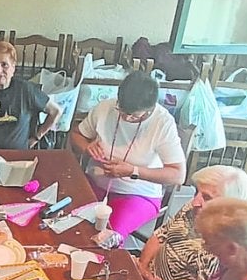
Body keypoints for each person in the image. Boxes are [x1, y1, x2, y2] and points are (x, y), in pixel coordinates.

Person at [70, 71, 186, 238]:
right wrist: (87, 147)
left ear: (150, 109)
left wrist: (133, 171)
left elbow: (178, 175)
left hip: (137, 194)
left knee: (108, 236)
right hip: (94, 184)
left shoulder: (162, 123)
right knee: (66, 220)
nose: (125, 118)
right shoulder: (105, 108)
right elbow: (76, 135)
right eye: (121, 110)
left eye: (133, 116)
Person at [138, 165, 247, 280]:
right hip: (146, 272)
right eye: (197, 192)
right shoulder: (194, 208)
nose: (195, 201)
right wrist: (143, 266)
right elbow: (161, 235)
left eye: (207, 197)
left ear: (228, 205)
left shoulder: (224, 245)